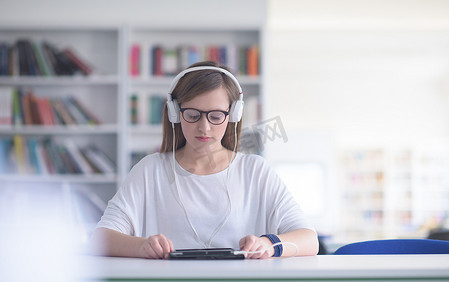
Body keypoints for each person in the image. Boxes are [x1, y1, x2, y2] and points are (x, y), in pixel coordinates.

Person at [89, 61, 319, 259]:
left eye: (216, 116)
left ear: (234, 115)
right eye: (192, 114)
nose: (204, 127)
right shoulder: (150, 171)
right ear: (174, 113)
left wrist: (270, 244)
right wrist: (141, 246)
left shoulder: (255, 171)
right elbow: (100, 238)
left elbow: (310, 240)